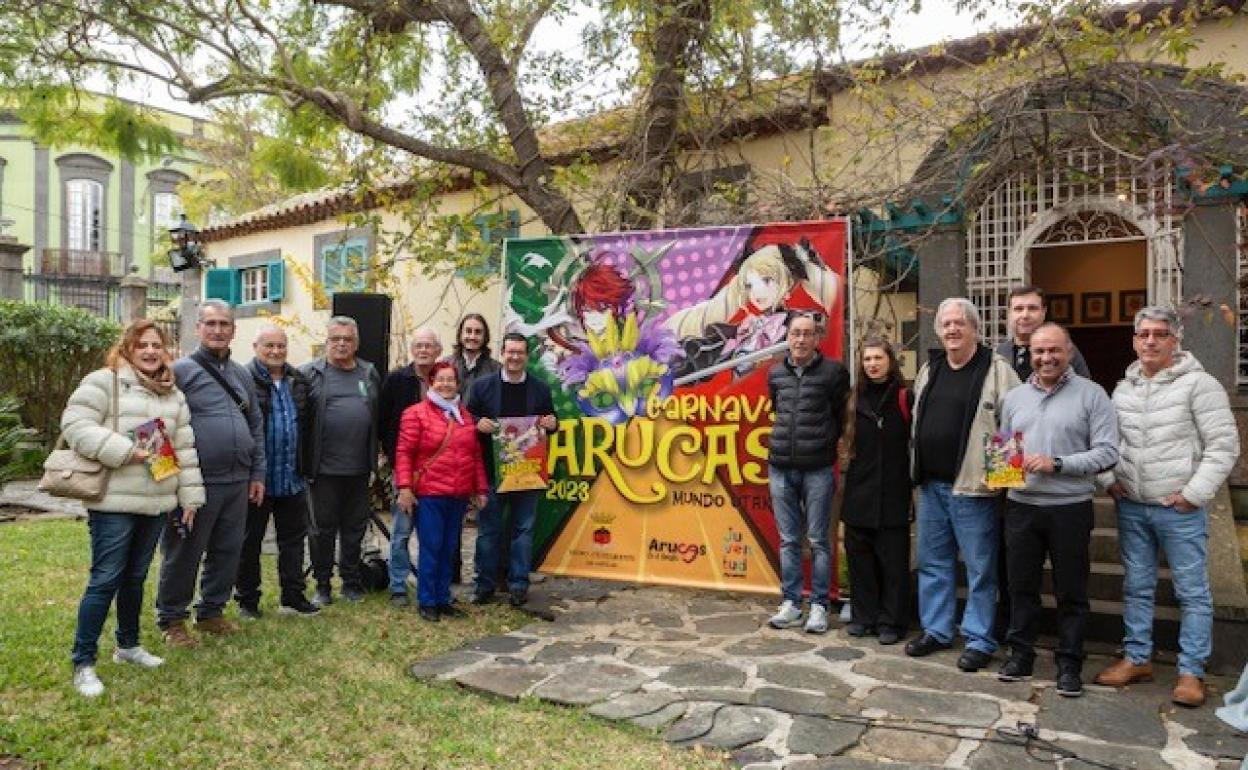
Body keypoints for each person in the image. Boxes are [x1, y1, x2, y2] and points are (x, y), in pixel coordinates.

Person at [1094, 306, 1239, 707]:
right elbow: (1107, 441)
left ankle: (1191, 671)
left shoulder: (1200, 385)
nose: (1151, 341)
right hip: (1133, 506)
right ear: (1134, 340)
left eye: (1160, 334)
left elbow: (1224, 446)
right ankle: (1137, 658)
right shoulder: (1123, 389)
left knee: (1192, 592)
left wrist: (1194, 493)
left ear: (1176, 340)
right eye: (1144, 334)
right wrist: (1109, 479)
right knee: (1137, 587)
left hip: (1179, 509)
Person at [63, 320, 205, 697]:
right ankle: (83, 661)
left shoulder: (172, 393)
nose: (149, 351)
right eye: (141, 344)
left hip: (156, 501)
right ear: (127, 348)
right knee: (105, 577)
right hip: (112, 501)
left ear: (166, 349)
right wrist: (126, 451)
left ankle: (128, 646)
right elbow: (75, 425)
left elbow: (186, 449)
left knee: (135, 577)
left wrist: (190, 498)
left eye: (156, 345)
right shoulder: (103, 381)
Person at [996, 323, 1118, 697]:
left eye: (1054, 351)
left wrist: (1058, 463)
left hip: (1069, 507)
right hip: (1021, 508)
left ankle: (1069, 662)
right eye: (1038, 351)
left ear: (1069, 352)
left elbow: (1108, 452)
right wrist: (999, 474)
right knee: (1021, 587)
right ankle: (1021, 654)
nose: (1046, 358)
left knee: (1071, 591)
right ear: (1029, 354)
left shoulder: (1093, 395)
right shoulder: (1014, 397)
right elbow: (1004, 448)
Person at [907, 298, 1020, 671]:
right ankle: (937, 630)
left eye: (959, 323)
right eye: (946, 324)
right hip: (932, 487)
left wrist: (1003, 485)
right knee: (933, 563)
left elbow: (1012, 426)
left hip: (974, 489)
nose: (952, 329)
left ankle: (979, 638)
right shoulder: (931, 368)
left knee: (980, 569)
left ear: (975, 328)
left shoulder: (996, 370)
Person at [158, 300, 266, 646]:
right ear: (198, 329)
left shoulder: (241, 374)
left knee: (228, 549)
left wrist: (257, 472)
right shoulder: (181, 371)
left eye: (224, 324)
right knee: (185, 551)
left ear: (234, 330)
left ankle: (211, 612)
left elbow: (255, 424)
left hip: (238, 480)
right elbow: (159, 425)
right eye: (211, 323)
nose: (218, 330)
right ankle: (172, 619)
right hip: (196, 482)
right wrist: (169, 478)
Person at [765, 312, 850, 634]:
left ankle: (818, 606)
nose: (800, 339)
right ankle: (790, 602)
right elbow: (777, 409)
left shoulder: (834, 374)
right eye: (795, 333)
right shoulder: (775, 374)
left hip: (818, 468)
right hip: (781, 467)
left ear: (818, 339)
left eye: (807, 334)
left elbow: (842, 416)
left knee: (818, 541)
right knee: (788, 540)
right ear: (787, 337)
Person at [234, 324, 320, 619]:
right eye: (268, 345)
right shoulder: (243, 379)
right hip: (257, 479)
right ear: (256, 347)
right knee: (250, 542)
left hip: (291, 476)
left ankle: (293, 596)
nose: (275, 351)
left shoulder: (298, 380)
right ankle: (247, 601)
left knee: (293, 541)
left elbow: (307, 426)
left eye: (280, 346)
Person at [467, 332, 557, 607]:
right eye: (510, 352)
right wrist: (477, 423)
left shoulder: (540, 389)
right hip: (493, 471)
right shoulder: (482, 387)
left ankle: (518, 584)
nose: (515, 357)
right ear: (502, 354)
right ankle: (484, 585)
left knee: (523, 531)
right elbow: (466, 417)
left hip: (527, 472)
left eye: (520, 352)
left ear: (526, 356)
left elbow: (552, 420)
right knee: (488, 531)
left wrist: (553, 423)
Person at [394, 361, 489, 621]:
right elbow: (404, 453)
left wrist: (480, 488)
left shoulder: (465, 416)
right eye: (441, 380)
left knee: (449, 548)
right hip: (430, 493)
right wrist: (404, 487)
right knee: (432, 547)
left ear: (458, 385)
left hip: (457, 494)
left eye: (451, 380)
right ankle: (427, 600)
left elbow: (475, 456)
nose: (446, 385)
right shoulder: (416, 414)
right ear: (430, 382)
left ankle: (442, 597)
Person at [301, 316, 381, 606]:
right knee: (321, 530)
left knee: (354, 529)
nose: (342, 344)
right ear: (327, 342)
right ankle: (322, 585)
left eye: (348, 339)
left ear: (356, 343)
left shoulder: (369, 373)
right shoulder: (309, 373)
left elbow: (376, 417)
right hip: (322, 469)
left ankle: (351, 581)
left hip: (359, 469)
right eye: (336, 339)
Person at [839, 337, 912, 645]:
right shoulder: (853, 398)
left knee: (894, 564)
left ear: (890, 361)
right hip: (859, 492)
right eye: (867, 359)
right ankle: (863, 616)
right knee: (861, 561)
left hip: (894, 492)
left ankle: (892, 622)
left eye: (878, 358)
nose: (872, 364)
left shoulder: (905, 396)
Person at [378, 328, 441, 608]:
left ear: (438, 350)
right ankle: (399, 585)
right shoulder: (395, 380)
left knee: (431, 532)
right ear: (412, 349)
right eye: (419, 345)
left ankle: (432, 583)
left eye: (429, 346)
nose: (423, 350)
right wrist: (393, 460)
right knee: (401, 530)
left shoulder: (445, 379)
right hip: (403, 468)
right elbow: (382, 421)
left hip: (436, 472)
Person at [996, 286, 1090, 381]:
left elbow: (1084, 390)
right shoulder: (1000, 352)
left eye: (1032, 308)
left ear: (1044, 312)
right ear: (1009, 313)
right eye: (1018, 309)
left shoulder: (1064, 350)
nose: (1025, 315)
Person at [448, 313, 502, 395]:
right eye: (468, 331)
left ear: (485, 337)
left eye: (478, 332)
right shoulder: (446, 365)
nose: (472, 337)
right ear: (460, 334)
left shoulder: (497, 370)